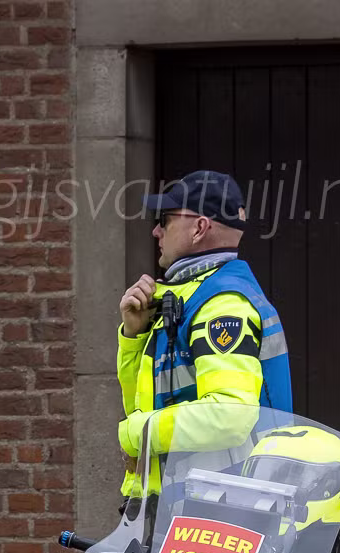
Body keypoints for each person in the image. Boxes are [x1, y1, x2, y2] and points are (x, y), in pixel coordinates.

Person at [118, 171, 293, 492]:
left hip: (224, 506)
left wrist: (135, 433)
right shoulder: (190, 296)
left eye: (165, 220)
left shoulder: (222, 304)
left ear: (199, 228)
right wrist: (134, 337)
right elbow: (143, 403)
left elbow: (228, 416)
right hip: (185, 505)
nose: (156, 231)